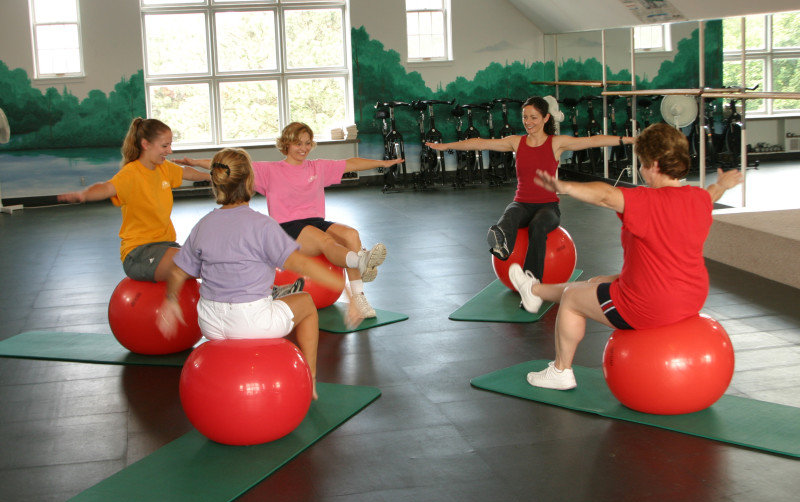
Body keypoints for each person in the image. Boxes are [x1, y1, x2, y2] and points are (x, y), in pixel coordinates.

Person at [509, 123, 744, 390]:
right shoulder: (697, 198)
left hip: (650, 304)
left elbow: (606, 196)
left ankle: (561, 371)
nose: (641, 171)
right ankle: (534, 291)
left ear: (654, 165)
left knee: (572, 299)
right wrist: (723, 183)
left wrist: (563, 185)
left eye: (642, 164)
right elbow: (712, 194)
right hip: (691, 295)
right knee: (596, 282)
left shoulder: (648, 201)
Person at [157, 148, 363, 400]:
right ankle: (311, 380)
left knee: (268, 293)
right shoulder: (263, 225)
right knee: (306, 303)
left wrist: (170, 302)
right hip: (251, 321)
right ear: (250, 182)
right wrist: (351, 297)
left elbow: (178, 272)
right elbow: (305, 266)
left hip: (208, 322)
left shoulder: (203, 224)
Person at [177, 122, 404, 318]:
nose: (304, 148)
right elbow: (229, 166)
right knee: (326, 242)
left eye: (307, 143)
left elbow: (351, 163)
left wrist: (382, 164)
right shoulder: (269, 171)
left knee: (351, 234)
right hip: (287, 227)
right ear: (286, 144)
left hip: (315, 221)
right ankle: (360, 261)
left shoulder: (317, 167)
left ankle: (359, 297)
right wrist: (196, 162)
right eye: (298, 143)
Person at [427, 96, 635, 282]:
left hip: (548, 207)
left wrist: (626, 139)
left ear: (545, 118)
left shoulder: (556, 143)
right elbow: (480, 143)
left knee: (538, 226)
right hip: (522, 203)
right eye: (525, 117)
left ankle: (530, 283)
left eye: (533, 117)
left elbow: (591, 141)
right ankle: (501, 244)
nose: (528, 122)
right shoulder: (517, 142)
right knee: (510, 215)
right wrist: (446, 146)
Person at [57, 118, 211, 282]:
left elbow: (186, 172)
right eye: (165, 146)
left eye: (170, 145)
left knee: (206, 262)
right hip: (139, 252)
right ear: (146, 144)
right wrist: (84, 195)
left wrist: (211, 177)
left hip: (166, 245)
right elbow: (107, 188)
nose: (170, 151)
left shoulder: (164, 168)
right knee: (200, 265)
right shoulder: (131, 174)